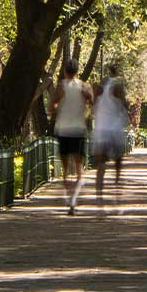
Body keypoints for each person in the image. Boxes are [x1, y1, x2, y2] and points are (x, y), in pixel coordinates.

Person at [51, 60, 93, 214]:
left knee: (64, 168)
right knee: (79, 169)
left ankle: (68, 196)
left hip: (62, 130)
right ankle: (73, 200)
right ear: (77, 71)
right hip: (78, 130)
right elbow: (92, 102)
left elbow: (52, 105)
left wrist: (56, 109)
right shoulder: (84, 86)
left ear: (64, 71)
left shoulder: (61, 86)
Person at [92, 66, 131, 204]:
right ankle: (116, 182)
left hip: (101, 128)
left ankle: (99, 192)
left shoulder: (100, 88)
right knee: (118, 158)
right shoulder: (118, 86)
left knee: (101, 161)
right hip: (114, 128)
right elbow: (124, 104)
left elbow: (93, 105)